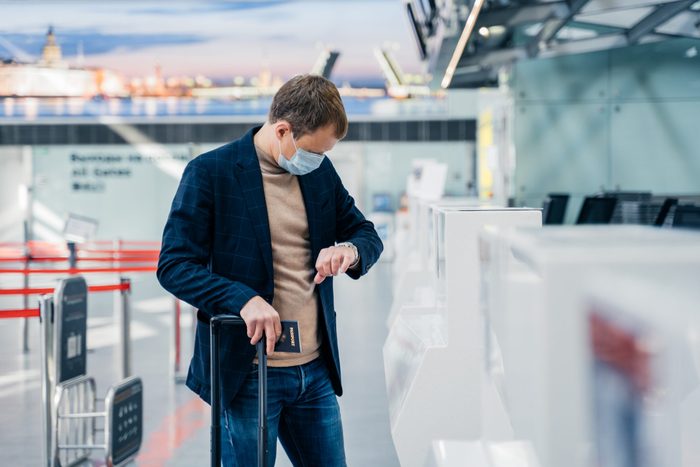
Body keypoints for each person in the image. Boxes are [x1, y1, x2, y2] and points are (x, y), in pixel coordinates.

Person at [157, 74, 383, 466]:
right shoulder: (211, 173)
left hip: (314, 373)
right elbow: (174, 265)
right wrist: (241, 299)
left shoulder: (319, 173)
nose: (317, 161)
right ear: (283, 130)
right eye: (313, 151)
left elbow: (366, 233)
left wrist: (349, 250)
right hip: (247, 375)